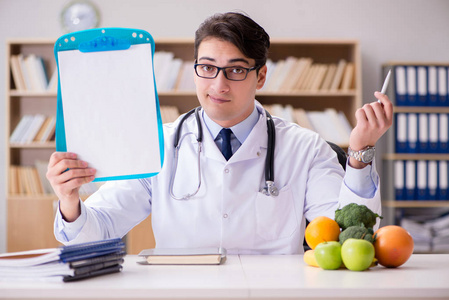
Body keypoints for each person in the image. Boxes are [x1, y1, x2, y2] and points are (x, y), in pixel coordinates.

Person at [48, 12, 393, 254]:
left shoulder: (305, 148)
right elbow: (95, 232)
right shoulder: (160, 145)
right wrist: (69, 200)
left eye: (236, 70)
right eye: (208, 68)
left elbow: (349, 238)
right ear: (195, 69)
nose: (218, 84)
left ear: (260, 77)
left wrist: (360, 154)